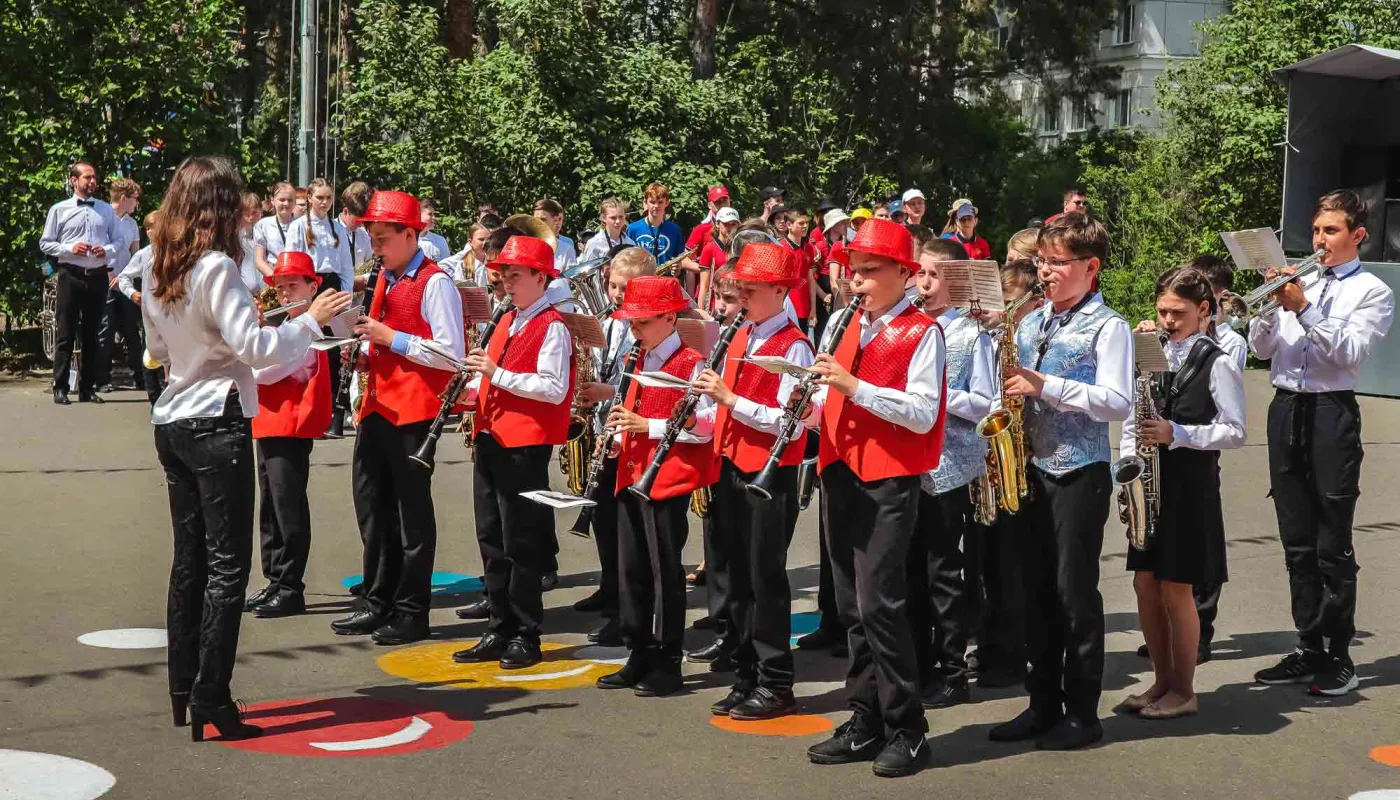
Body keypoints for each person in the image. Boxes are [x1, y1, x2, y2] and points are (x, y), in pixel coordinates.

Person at [142, 155, 351, 741]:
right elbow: (256, 347)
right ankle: (213, 694)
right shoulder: (214, 268)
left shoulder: (160, 268)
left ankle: (184, 687)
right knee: (228, 566)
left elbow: (156, 349)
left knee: (190, 560)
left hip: (175, 418)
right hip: (216, 420)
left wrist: (208, 347)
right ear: (221, 206)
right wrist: (306, 320)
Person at [802, 218, 946, 779]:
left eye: (868, 272)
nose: (854, 283)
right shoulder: (844, 324)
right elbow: (829, 394)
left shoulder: (921, 332)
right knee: (850, 606)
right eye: (852, 272)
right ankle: (865, 718)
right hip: (840, 470)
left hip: (887, 480)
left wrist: (851, 386)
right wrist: (809, 394)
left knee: (882, 604)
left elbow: (921, 412)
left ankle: (908, 729)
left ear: (903, 275)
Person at [988, 213, 1132, 752]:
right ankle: (1042, 702)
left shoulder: (1108, 326)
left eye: (1057, 263)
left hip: (1079, 472)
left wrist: (1046, 385)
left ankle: (1083, 713)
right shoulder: (1031, 322)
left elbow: (1116, 402)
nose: (1045, 272)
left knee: (1074, 595)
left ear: (1090, 268)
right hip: (1030, 469)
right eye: (1042, 262)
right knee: (1036, 593)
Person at [1249, 189, 1395, 696]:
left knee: (1333, 543)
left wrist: (1304, 308)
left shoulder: (1373, 291)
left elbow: (1349, 352)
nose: (1319, 241)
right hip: (1285, 407)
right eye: (1315, 231)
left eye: (1330, 231)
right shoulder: (1300, 280)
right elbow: (1261, 349)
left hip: (1332, 411)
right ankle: (1309, 645)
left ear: (1357, 235)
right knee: (1296, 541)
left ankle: (1340, 655)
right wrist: (1269, 310)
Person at [329, 190, 465, 646]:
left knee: (410, 516)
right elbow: (385, 342)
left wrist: (393, 337)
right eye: (372, 239)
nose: (376, 249)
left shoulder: (435, 282)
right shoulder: (384, 278)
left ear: (412, 234)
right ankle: (377, 599)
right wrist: (366, 352)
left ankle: (412, 611)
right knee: (373, 508)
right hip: (378, 406)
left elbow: (451, 356)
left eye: (384, 239)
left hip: (414, 413)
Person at [689, 242, 813, 719]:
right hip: (732, 467)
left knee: (766, 581)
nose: (742, 294)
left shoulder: (795, 344)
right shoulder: (742, 332)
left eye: (752, 288)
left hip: (768, 473)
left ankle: (776, 682)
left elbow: (791, 422)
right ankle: (746, 674)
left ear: (781, 291)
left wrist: (729, 399)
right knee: (735, 578)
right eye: (740, 286)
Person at [1117, 267, 1245, 720]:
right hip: (1151, 481)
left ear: (1204, 310)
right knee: (1144, 583)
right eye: (1162, 311)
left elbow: (1235, 431)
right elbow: (1137, 414)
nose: (1168, 320)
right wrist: (1126, 461)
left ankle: (1184, 690)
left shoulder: (1219, 359)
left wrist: (1180, 433)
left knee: (1176, 588)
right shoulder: (1153, 351)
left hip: (1190, 484)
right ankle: (1161, 680)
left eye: (1178, 312)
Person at [451, 235, 575, 670]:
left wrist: (495, 373)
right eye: (503, 274)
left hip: (524, 446)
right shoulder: (508, 318)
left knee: (521, 542)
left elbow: (553, 388)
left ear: (541, 278)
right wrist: (470, 391)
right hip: (491, 438)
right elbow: (494, 379)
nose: (506, 281)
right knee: (492, 538)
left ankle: (526, 633)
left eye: (515, 274)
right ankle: (499, 625)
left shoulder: (553, 326)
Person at [595, 276, 716, 697]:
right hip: (631, 473)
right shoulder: (636, 357)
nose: (634, 330)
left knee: (665, 572)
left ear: (669, 316)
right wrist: (614, 439)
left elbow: (704, 428)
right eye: (631, 322)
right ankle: (638, 651)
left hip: (668, 479)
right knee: (632, 570)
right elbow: (629, 408)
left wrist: (648, 426)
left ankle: (668, 660)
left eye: (642, 322)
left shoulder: (692, 362)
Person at [904, 237, 996, 711]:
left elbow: (984, 402)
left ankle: (953, 670)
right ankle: (917, 663)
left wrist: (935, 394)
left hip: (950, 465)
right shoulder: (910, 327)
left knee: (944, 571)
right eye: (920, 273)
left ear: (956, 281)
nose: (923, 283)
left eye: (934, 275)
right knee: (909, 570)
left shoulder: (970, 333)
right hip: (906, 464)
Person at [570, 247, 656, 646]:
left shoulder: (646, 328)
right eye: (612, 286)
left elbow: (645, 380)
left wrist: (606, 388)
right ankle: (609, 586)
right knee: (603, 517)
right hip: (606, 426)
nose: (615, 294)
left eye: (624, 287)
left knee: (627, 531)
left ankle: (628, 611)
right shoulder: (609, 321)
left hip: (632, 433)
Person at [244, 251, 336, 620]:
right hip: (267, 420)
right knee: (270, 505)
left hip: (291, 424)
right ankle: (274, 578)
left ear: (313, 287)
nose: (284, 294)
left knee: (287, 505)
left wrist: (247, 353)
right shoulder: (284, 326)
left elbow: (266, 370)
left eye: (292, 286)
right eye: (279, 287)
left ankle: (290, 586)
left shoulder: (310, 330)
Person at [972, 259, 1042, 689]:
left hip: (1023, 454)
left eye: (1009, 302)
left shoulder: (1030, 336)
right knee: (989, 560)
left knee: (1013, 561)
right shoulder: (998, 336)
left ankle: (1014, 652)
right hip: (996, 450)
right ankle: (991, 644)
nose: (1003, 310)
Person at [41, 162, 120, 405]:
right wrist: (69, 248)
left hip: (96, 276)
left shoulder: (106, 210)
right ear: (74, 180)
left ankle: (87, 388)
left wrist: (104, 250)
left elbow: (118, 243)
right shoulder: (59, 209)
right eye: (87, 178)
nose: (92, 182)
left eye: (94, 177)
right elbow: (46, 243)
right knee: (65, 333)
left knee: (92, 335)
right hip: (71, 275)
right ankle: (61, 387)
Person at [117, 210, 167, 405]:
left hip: (173, 313)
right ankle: (154, 397)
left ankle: (168, 395)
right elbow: (123, 277)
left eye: (154, 227)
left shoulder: (177, 252)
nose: (151, 232)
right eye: (147, 229)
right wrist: (133, 293)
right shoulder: (144, 255)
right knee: (150, 355)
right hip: (151, 315)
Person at [97, 177, 143, 392]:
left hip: (126, 283)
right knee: (105, 331)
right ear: (124, 198)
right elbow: (98, 251)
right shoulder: (103, 218)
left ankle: (141, 377)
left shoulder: (131, 223)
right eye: (134, 199)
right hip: (105, 282)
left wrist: (127, 277)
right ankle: (102, 379)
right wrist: (109, 275)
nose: (136, 204)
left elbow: (135, 254)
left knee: (132, 332)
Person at [627, 183, 685, 270]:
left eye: (660, 202)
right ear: (645, 202)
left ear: (667, 203)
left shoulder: (675, 230)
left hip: (666, 280)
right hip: (640, 280)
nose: (656, 206)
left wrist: (677, 268)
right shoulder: (633, 229)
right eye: (652, 202)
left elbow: (679, 259)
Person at [782, 209, 819, 334]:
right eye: (801, 223)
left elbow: (810, 278)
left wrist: (813, 309)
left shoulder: (808, 247)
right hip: (785, 308)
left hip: (804, 308)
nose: (805, 226)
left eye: (807, 223)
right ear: (789, 225)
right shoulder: (781, 247)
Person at [254, 182, 297, 279]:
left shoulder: (302, 225)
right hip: (273, 274)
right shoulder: (262, 225)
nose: (286, 203)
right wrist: (276, 280)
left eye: (290, 200)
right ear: (273, 201)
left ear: (295, 202)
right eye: (282, 200)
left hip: (296, 275)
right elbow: (259, 261)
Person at [581, 197, 635, 261]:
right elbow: (589, 270)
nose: (618, 221)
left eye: (621, 217)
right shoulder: (594, 243)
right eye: (613, 218)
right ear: (604, 218)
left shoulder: (630, 243)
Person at [534, 198, 578, 270]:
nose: (538, 223)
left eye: (543, 219)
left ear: (555, 220)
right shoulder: (526, 245)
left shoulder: (567, 248)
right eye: (535, 219)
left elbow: (570, 278)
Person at [237, 192, 264, 293]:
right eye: (246, 214)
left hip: (264, 288)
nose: (250, 218)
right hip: (245, 290)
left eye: (254, 213)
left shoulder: (265, 232)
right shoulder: (237, 237)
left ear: (261, 212)